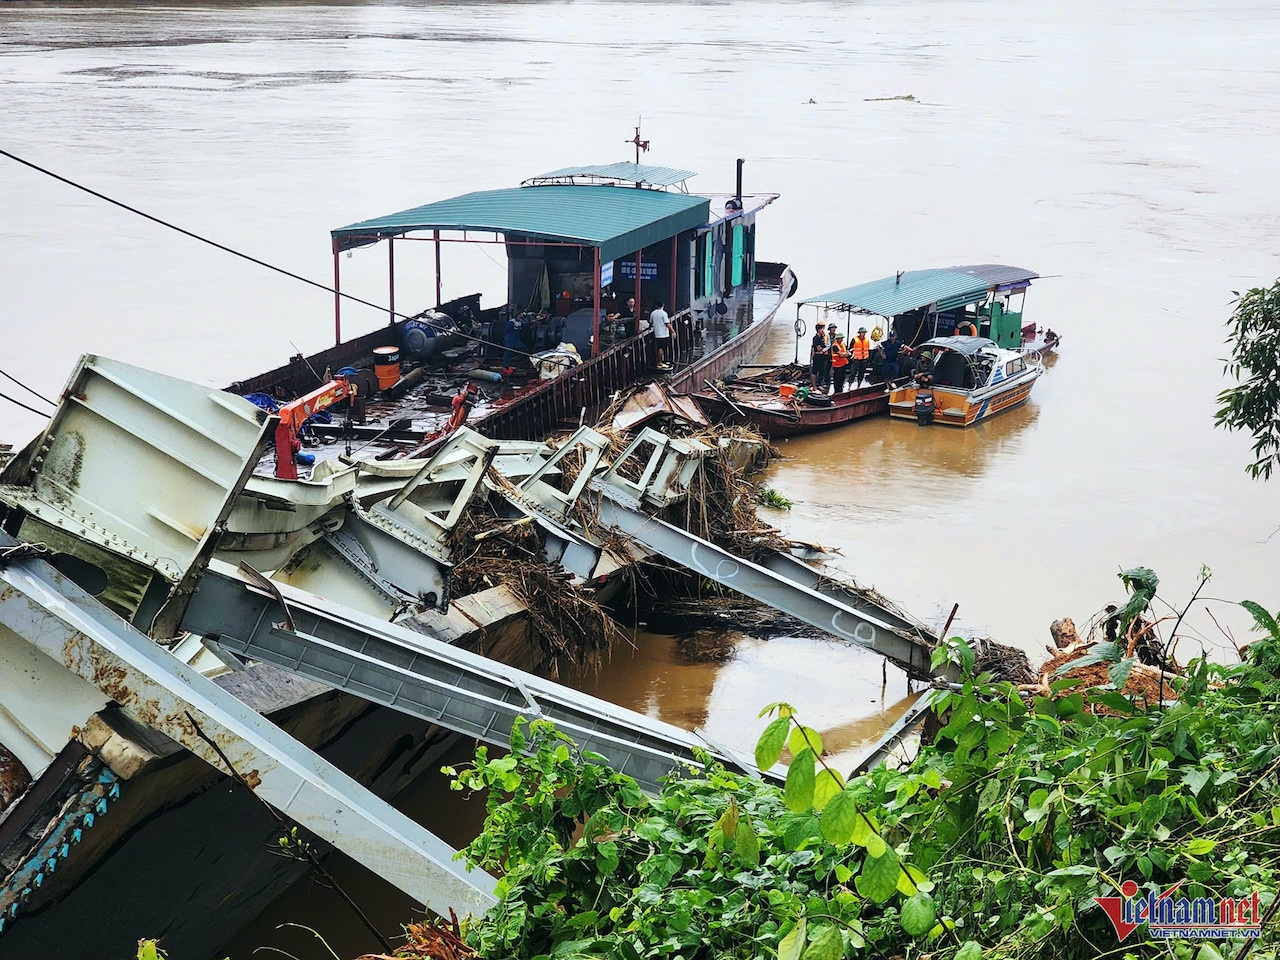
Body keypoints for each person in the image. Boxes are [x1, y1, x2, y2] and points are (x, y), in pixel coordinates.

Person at [651, 300, 672, 369]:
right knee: (662, 348)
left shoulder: (653, 313)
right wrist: (672, 331)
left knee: (660, 348)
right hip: (663, 334)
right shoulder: (664, 313)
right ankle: (660, 362)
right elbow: (667, 323)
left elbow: (650, 322)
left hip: (657, 333)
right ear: (663, 305)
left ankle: (662, 361)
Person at [809, 321, 830, 389]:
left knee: (822, 370)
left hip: (822, 356)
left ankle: (819, 384)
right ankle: (814, 386)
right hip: (817, 356)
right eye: (822, 329)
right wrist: (822, 348)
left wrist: (823, 347)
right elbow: (818, 348)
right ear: (819, 329)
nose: (823, 331)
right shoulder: (816, 338)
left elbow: (824, 346)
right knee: (815, 371)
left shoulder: (822, 338)